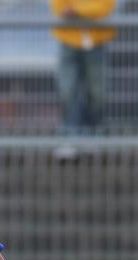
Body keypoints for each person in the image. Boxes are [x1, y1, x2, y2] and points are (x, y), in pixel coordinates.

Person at [50, 0, 116, 159]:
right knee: (68, 91)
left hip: (96, 40)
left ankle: (93, 136)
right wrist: (84, 11)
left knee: (97, 92)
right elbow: (59, 7)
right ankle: (69, 138)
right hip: (68, 39)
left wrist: (77, 10)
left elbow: (105, 6)